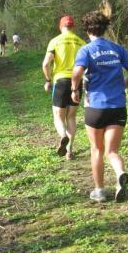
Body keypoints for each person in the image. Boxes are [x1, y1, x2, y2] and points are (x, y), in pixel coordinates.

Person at [71, 11, 128, 203]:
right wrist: (122, 86)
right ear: (105, 28)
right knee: (112, 151)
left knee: (97, 150)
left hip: (96, 107)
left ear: (87, 30)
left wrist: (74, 90)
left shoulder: (86, 50)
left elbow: (77, 72)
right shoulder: (117, 49)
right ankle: (120, 174)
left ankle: (100, 191)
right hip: (118, 106)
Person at [42, 15, 86, 160]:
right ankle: (69, 151)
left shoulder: (55, 41)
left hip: (60, 81)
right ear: (73, 27)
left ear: (61, 27)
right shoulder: (82, 42)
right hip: (77, 82)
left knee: (58, 116)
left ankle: (62, 136)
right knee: (71, 117)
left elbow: (46, 64)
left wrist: (48, 80)